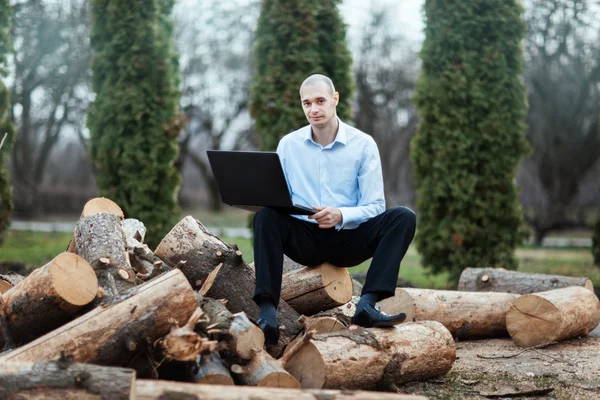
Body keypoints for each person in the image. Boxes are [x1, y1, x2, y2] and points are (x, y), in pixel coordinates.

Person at [253, 74, 417, 344]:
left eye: (320, 101)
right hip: (305, 238)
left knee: (403, 217)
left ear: (335, 99)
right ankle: (268, 313)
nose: (313, 109)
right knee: (266, 216)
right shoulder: (288, 145)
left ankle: (367, 305)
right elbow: (279, 198)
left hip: (349, 239)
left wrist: (342, 214)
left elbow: (376, 205)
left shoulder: (363, 144)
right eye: (307, 103)